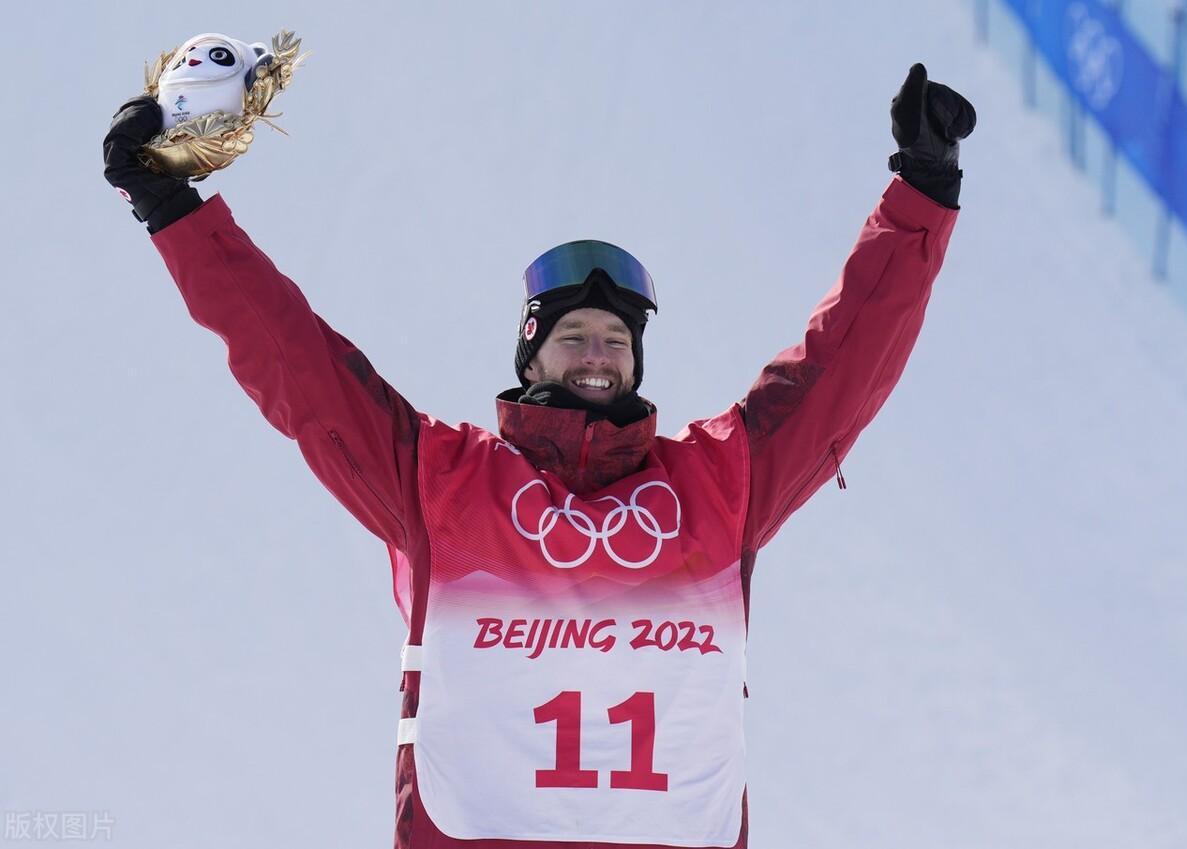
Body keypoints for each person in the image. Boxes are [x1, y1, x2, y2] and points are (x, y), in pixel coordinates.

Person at [103, 63, 975, 849]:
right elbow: (293, 359)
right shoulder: (437, 480)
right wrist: (172, 209)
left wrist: (922, 196)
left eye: (614, 339)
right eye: (574, 336)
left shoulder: (719, 483)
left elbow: (842, 368)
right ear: (531, 355)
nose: (597, 354)